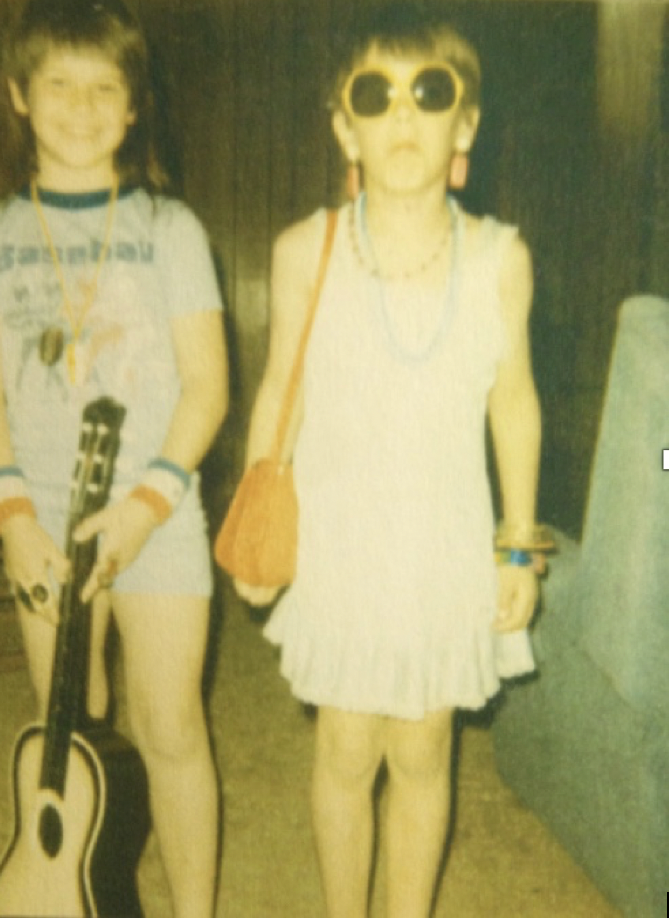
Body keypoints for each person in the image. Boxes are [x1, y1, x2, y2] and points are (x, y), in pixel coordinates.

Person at [235, 4, 547, 916]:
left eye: (429, 92)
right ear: (344, 126)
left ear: (467, 121)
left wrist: (518, 542)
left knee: (423, 751)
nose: (402, 116)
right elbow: (275, 399)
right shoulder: (306, 251)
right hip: (342, 543)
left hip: (443, 545)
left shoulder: (500, 258)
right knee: (345, 750)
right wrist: (258, 522)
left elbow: (514, 402)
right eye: (375, 96)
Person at [0, 2, 227, 915]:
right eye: (58, 83)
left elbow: (208, 390)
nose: (81, 104)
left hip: (157, 510)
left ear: (135, 106)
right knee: (73, 720)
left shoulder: (172, 229)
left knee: (170, 722)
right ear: (19, 95)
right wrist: (13, 518)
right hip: (39, 519)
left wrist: (144, 510)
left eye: (105, 85)